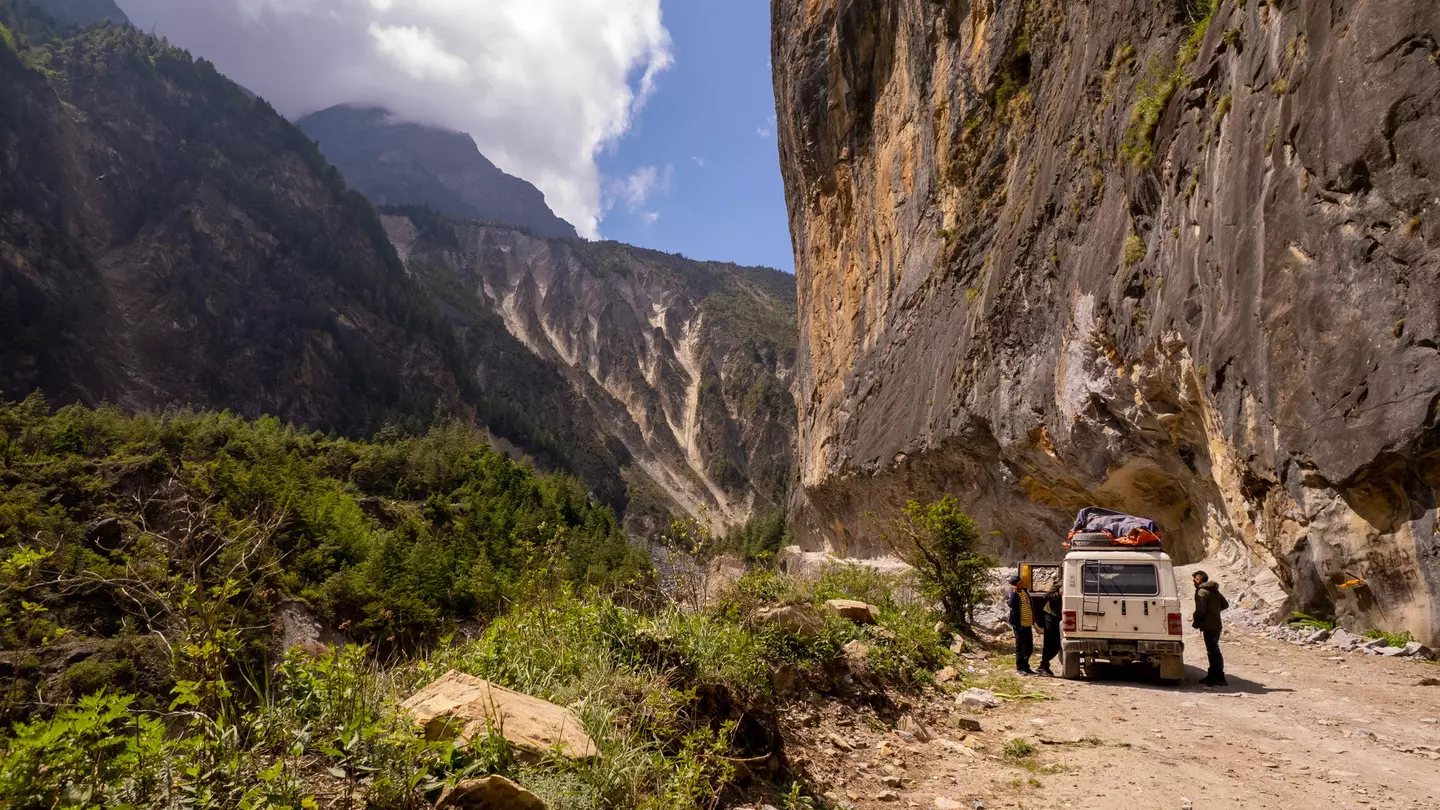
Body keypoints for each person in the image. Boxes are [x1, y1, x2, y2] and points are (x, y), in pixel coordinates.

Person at [1192, 571, 1229, 686]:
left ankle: (1217, 677)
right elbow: (1225, 605)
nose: (1193, 582)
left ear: (1198, 580)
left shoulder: (1202, 592)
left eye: (1194, 580)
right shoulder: (1214, 591)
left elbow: (1200, 611)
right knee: (1214, 649)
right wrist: (1214, 612)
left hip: (1208, 625)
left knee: (1213, 651)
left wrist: (1195, 619)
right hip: (1216, 624)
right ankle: (1215, 675)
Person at [1007, 575, 1035, 675]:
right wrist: (1014, 592)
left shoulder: (1024, 592)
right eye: (1020, 583)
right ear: (1015, 585)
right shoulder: (1013, 594)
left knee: (1029, 647)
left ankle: (1026, 666)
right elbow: (1012, 605)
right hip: (1019, 624)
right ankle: (1019, 668)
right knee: (1020, 646)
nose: (1022, 585)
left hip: (1027, 623)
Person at [1036, 583, 1063, 676]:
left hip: (1061, 616)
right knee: (1049, 641)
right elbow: (1046, 596)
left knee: (1058, 643)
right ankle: (1043, 666)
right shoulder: (1060, 583)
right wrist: (1059, 594)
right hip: (1051, 615)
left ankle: (1044, 665)